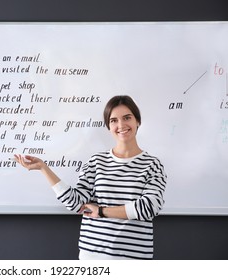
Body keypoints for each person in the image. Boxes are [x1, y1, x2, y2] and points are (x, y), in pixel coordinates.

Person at [14, 95, 167, 260]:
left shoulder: (152, 165)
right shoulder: (96, 162)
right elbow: (76, 203)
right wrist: (44, 169)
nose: (121, 125)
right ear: (108, 126)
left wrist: (101, 211)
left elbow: (149, 207)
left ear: (138, 121)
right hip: (91, 257)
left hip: (132, 260)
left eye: (127, 118)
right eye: (113, 120)